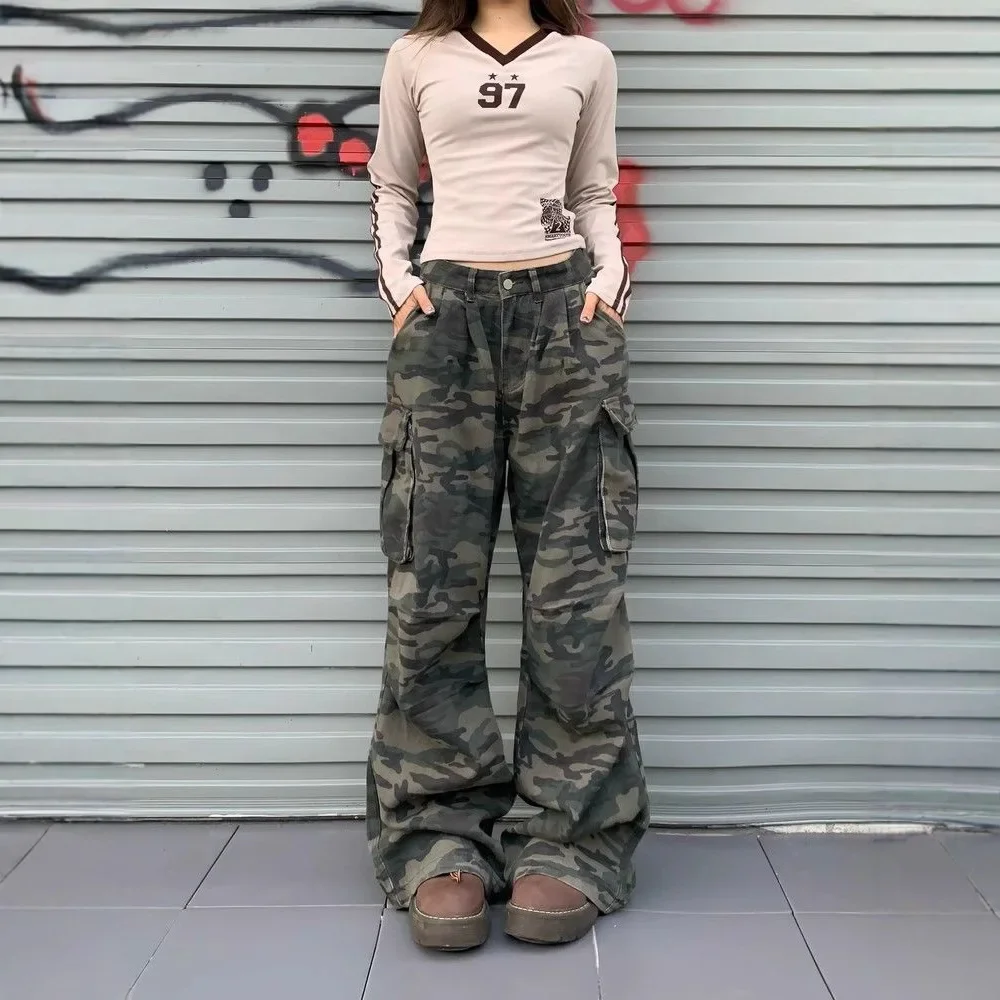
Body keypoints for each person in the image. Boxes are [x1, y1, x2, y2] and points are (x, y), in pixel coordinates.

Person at [365, 0, 648, 952]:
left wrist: (608, 285)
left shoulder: (584, 60)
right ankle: (437, 835)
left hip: (564, 318)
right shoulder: (415, 56)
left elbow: (596, 188)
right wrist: (402, 286)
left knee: (575, 596)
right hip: (445, 322)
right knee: (432, 588)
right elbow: (392, 181)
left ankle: (570, 840)